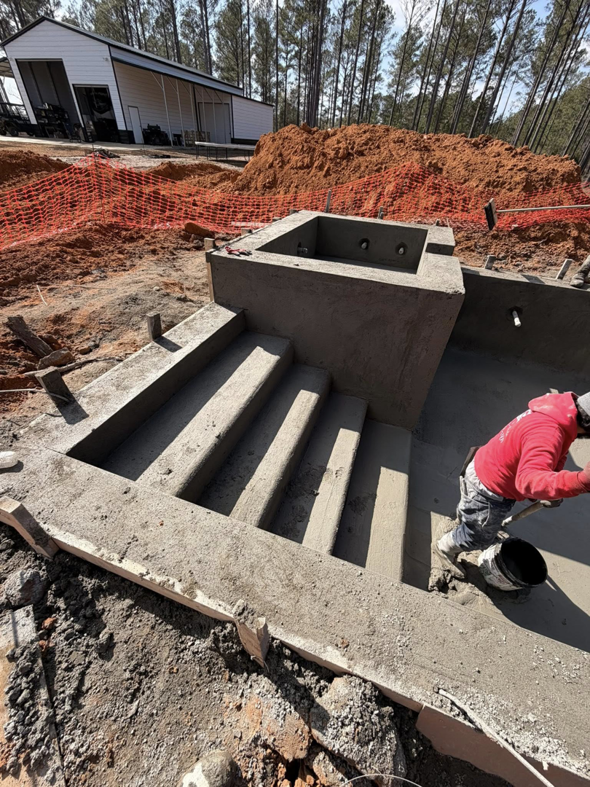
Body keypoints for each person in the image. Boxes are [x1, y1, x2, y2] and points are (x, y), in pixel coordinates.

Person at [436, 391, 590, 574]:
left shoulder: (559, 412)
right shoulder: (549, 433)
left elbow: (556, 454)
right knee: (479, 537)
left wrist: (553, 486)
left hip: (484, 466)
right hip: (488, 489)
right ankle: (444, 548)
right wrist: (581, 481)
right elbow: (529, 481)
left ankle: (468, 521)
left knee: (473, 515)